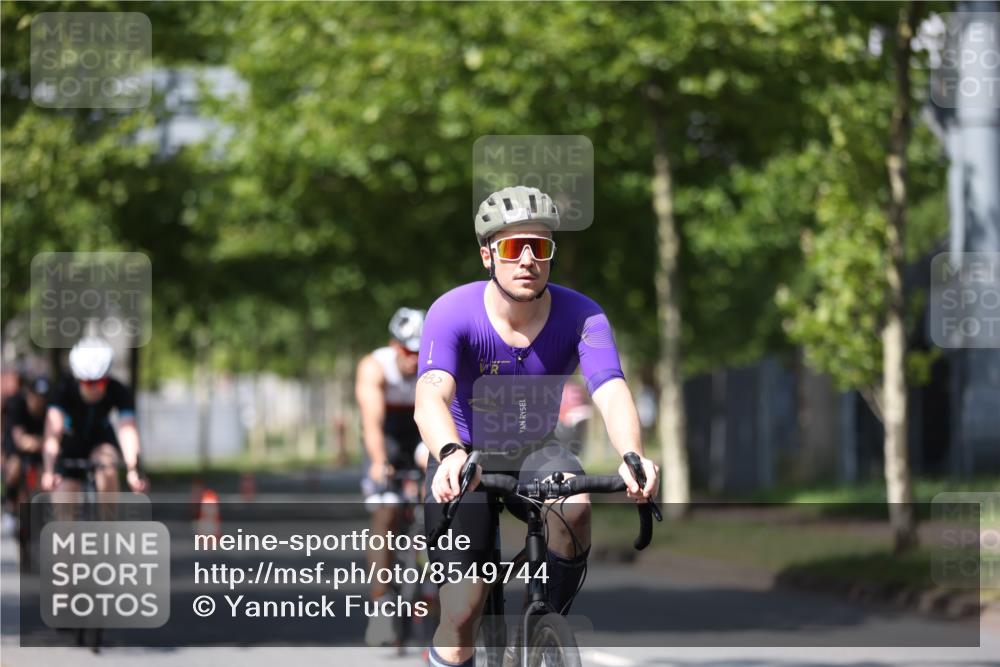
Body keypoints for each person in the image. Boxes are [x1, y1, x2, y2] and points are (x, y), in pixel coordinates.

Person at [415, 185, 660, 667]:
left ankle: (546, 623)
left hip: (536, 451)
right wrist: (448, 454)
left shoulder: (583, 315)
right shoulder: (453, 311)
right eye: (512, 247)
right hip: (465, 454)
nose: (527, 259)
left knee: (577, 507)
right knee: (463, 612)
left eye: (540, 247)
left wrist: (632, 454)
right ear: (487, 255)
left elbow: (609, 389)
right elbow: (430, 395)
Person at [355, 307, 430, 646]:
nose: (414, 359)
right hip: (386, 438)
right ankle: (381, 603)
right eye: (407, 350)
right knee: (385, 512)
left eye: (420, 350)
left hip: (421, 433)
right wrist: (378, 461)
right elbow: (371, 421)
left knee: (439, 486)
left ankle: (433, 577)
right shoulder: (375, 366)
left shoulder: (435, 363)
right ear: (394, 344)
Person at [40, 337, 146, 496]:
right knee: (64, 496)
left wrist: (132, 470)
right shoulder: (63, 389)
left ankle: (108, 521)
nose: (95, 388)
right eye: (88, 383)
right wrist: (48, 470)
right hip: (71, 441)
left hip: (101, 438)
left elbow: (127, 431)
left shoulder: (118, 390)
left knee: (107, 468)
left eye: (101, 382)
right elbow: (53, 433)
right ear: (78, 379)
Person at [2, 376, 50, 532]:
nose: (39, 401)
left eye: (42, 397)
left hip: (41, 449)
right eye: (36, 396)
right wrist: (40, 442)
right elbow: (20, 440)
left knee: (46, 474)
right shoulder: (16, 404)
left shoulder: (49, 409)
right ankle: (10, 506)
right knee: (13, 470)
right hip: (15, 448)